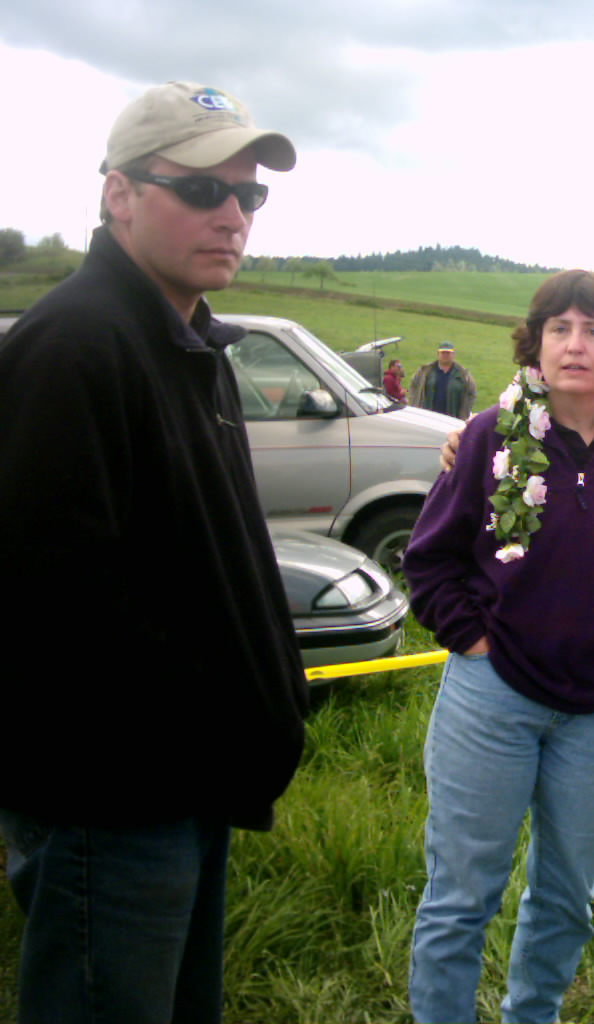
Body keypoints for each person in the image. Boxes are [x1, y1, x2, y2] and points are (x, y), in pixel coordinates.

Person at [0, 81, 309, 1023]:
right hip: (112, 799)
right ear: (119, 194)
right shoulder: (74, 345)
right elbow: (54, 604)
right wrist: (212, 719)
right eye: (203, 189)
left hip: (186, 787)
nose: (233, 216)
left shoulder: (190, 344)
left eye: (249, 195)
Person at [402, 270, 594, 1024]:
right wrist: (473, 640)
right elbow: (429, 559)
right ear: (537, 343)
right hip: (494, 698)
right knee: (463, 895)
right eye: (559, 328)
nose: (574, 345)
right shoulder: (492, 434)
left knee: (566, 897)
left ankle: (534, 1014)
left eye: (593, 330)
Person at [407, 339, 476, 417]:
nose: (445, 355)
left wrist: (465, 411)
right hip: (427, 416)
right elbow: (413, 386)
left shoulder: (463, 373)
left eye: (448, 353)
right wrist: (414, 403)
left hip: (452, 417)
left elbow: (471, 393)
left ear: (453, 354)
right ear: (438, 354)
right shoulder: (425, 371)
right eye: (443, 352)